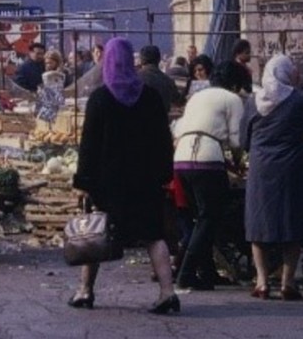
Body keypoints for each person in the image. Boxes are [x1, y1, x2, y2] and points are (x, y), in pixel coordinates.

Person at [69, 37, 178, 314]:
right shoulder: (151, 97)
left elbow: (89, 145)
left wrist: (83, 182)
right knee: (153, 236)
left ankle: (84, 290)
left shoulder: (100, 98)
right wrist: (165, 172)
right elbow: (163, 139)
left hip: (109, 182)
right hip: (146, 180)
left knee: (95, 234)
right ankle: (168, 292)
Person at [242, 54, 303, 300]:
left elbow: (243, 140)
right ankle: (287, 283)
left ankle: (261, 282)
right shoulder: (297, 100)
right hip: (293, 171)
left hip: (261, 171)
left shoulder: (252, 101)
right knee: (293, 224)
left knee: (259, 225)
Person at [172, 61, 244, 290]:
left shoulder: (197, 97)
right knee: (208, 218)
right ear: (234, 83)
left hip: (181, 158)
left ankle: (207, 272)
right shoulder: (232, 99)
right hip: (208, 159)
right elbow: (236, 140)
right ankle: (186, 273)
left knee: (198, 218)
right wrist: (237, 161)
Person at [137, 45, 181, 113]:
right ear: (159, 59)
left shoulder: (134, 79)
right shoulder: (168, 81)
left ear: (141, 60)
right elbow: (178, 101)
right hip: (161, 121)